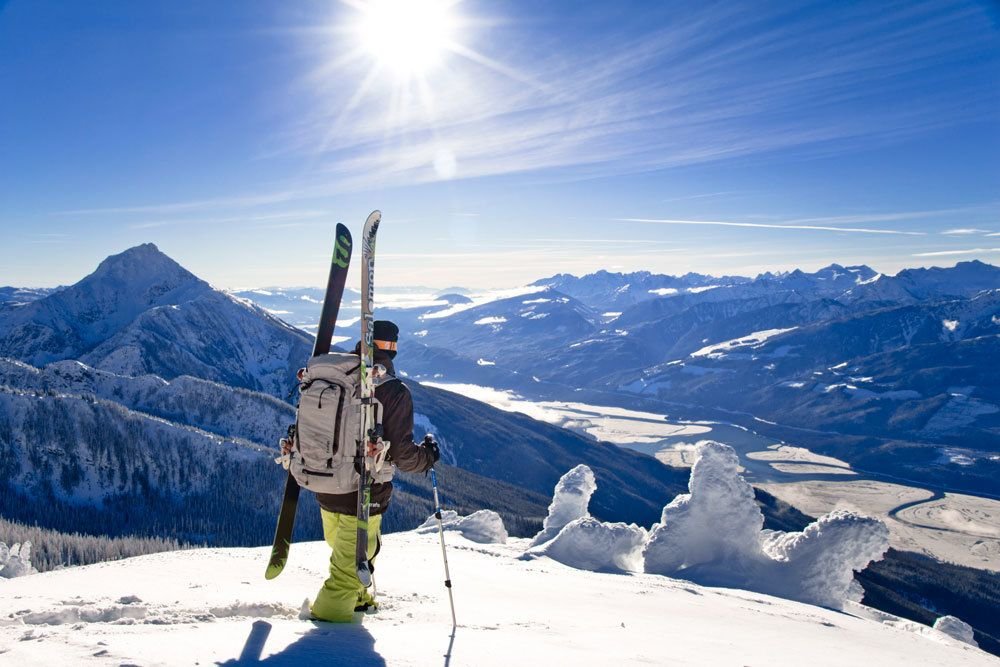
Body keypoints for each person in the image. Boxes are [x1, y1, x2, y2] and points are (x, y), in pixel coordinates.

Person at [307, 319, 439, 622]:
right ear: (392, 347)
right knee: (349, 568)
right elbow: (403, 455)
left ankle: (360, 600)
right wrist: (428, 457)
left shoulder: (338, 376)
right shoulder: (392, 390)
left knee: (351, 554)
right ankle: (329, 633)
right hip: (364, 492)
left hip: (326, 483)